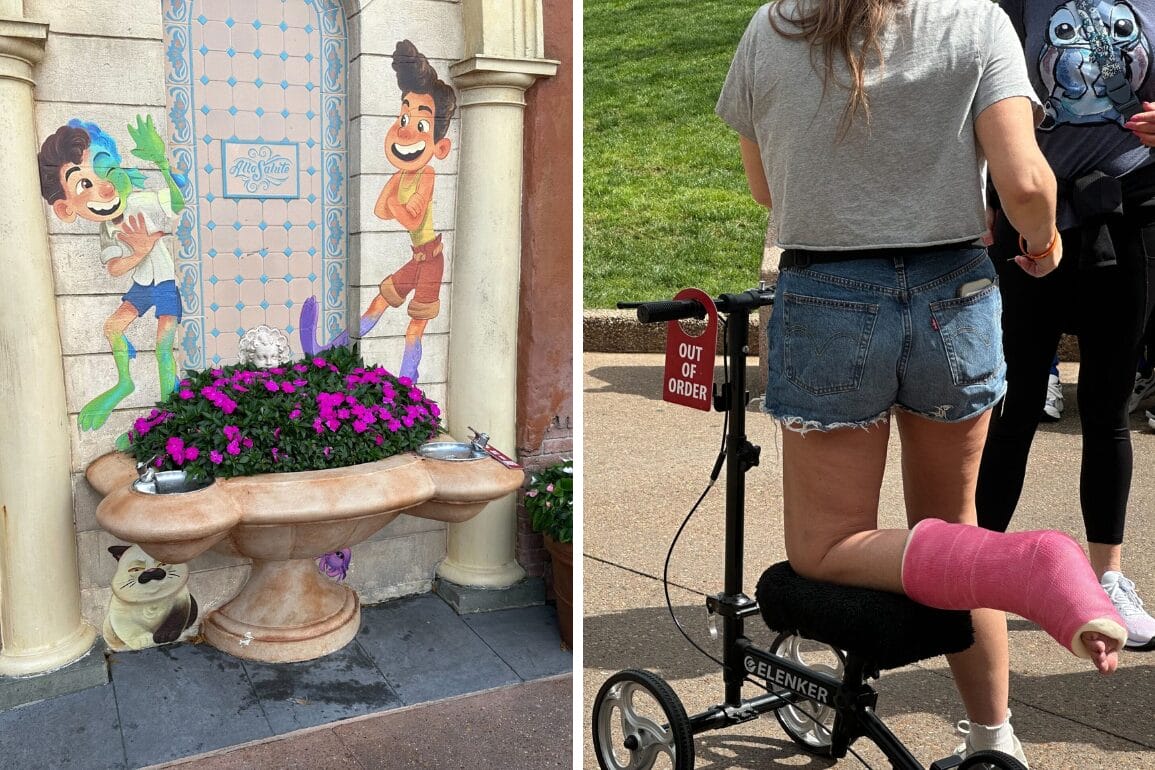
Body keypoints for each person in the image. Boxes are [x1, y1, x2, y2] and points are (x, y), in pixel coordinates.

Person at [715, 0, 1127, 763]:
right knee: (954, 529)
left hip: (830, 292)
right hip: (953, 292)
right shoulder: (974, 21)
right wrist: (1041, 246)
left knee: (825, 546)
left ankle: (1027, 564)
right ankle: (993, 742)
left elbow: (765, 189)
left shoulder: (774, 26)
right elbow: (1027, 184)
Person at [975, 0, 1155, 653]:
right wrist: (984, 199)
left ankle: (1106, 578)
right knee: (1014, 400)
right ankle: (979, 569)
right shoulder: (1012, 4)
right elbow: (972, 96)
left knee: (1107, 406)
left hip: (1128, 215)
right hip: (1027, 215)